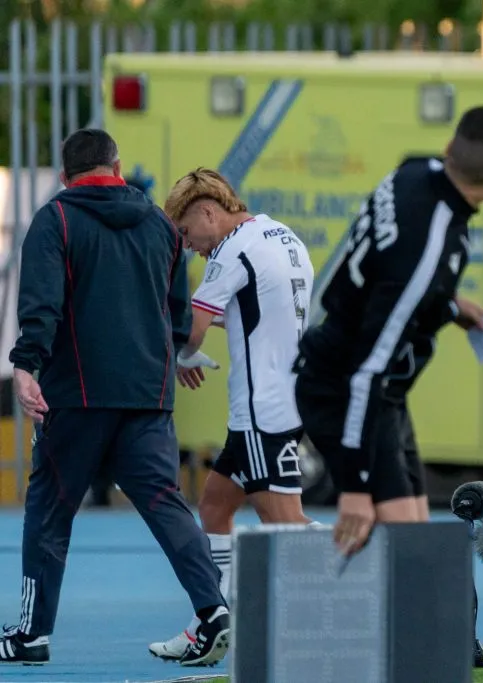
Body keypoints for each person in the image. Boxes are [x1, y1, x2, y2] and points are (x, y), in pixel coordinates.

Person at [4, 129, 229, 667]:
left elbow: (42, 304)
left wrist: (25, 365)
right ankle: (214, 609)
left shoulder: (54, 220)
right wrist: (170, 354)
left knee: (50, 513)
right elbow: (177, 310)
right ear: (118, 167)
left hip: (75, 398)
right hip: (147, 398)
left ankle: (32, 634)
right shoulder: (160, 225)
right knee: (166, 506)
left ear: (65, 177)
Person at [293, 104, 483, 557]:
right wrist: (356, 488)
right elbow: (368, 368)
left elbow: (385, 276)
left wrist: (450, 306)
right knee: (399, 550)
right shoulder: (429, 246)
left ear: (449, 148)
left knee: (415, 541)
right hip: (346, 389)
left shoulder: (415, 171)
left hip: (381, 393)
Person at [148, 168, 325, 660]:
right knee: (214, 507)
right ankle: (215, 620)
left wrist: (184, 356)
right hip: (285, 399)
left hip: (259, 410)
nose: (189, 246)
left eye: (186, 233)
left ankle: (372, 567)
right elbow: (255, 311)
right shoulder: (281, 235)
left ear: (208, 211)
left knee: (284, 524)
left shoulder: (231, 251)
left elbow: (197, 328)